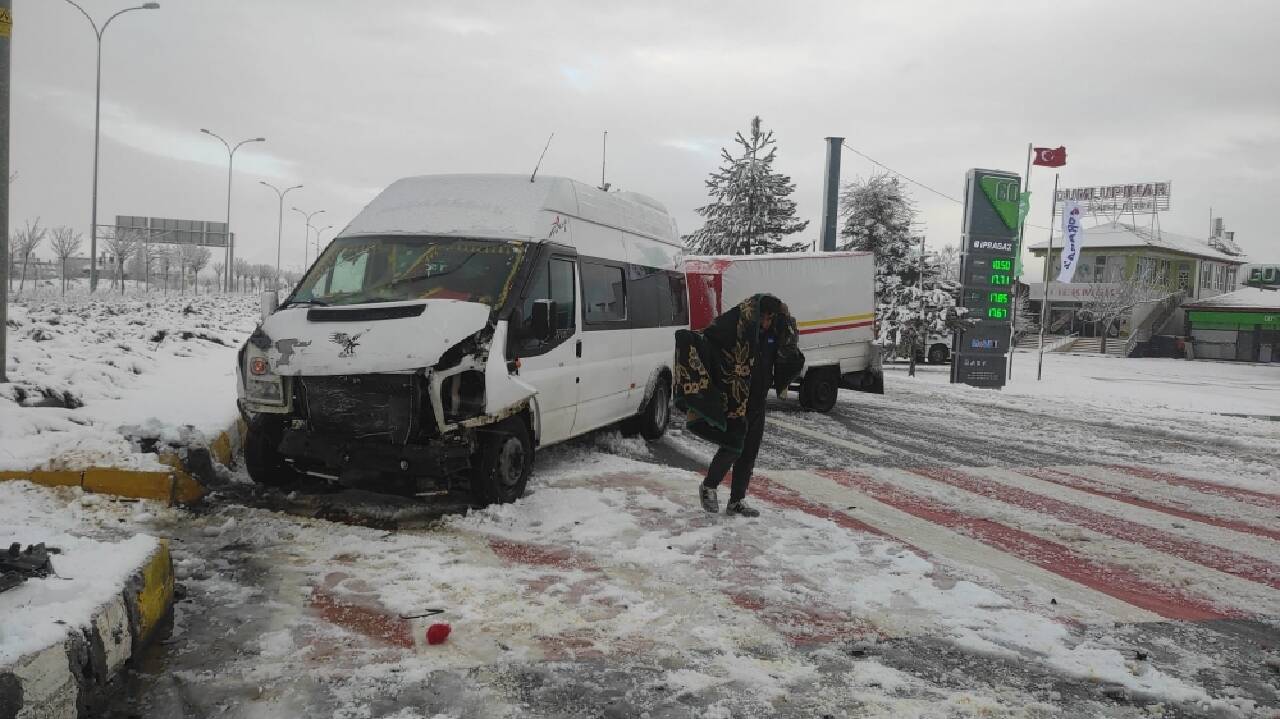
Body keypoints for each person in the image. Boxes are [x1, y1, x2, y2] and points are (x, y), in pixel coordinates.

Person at [673, 294, 804, 517]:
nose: (765, 322)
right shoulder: (736, 322)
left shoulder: (774, 331)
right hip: (736, 398)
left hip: (758, 400)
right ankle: (709, 487)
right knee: (733, 447)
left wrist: (787, 316)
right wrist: (689, 341)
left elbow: (790, 346)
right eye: (762, 317)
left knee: (749, 452)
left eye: (769, 318)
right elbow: (708, 339)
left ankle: (736, 501)